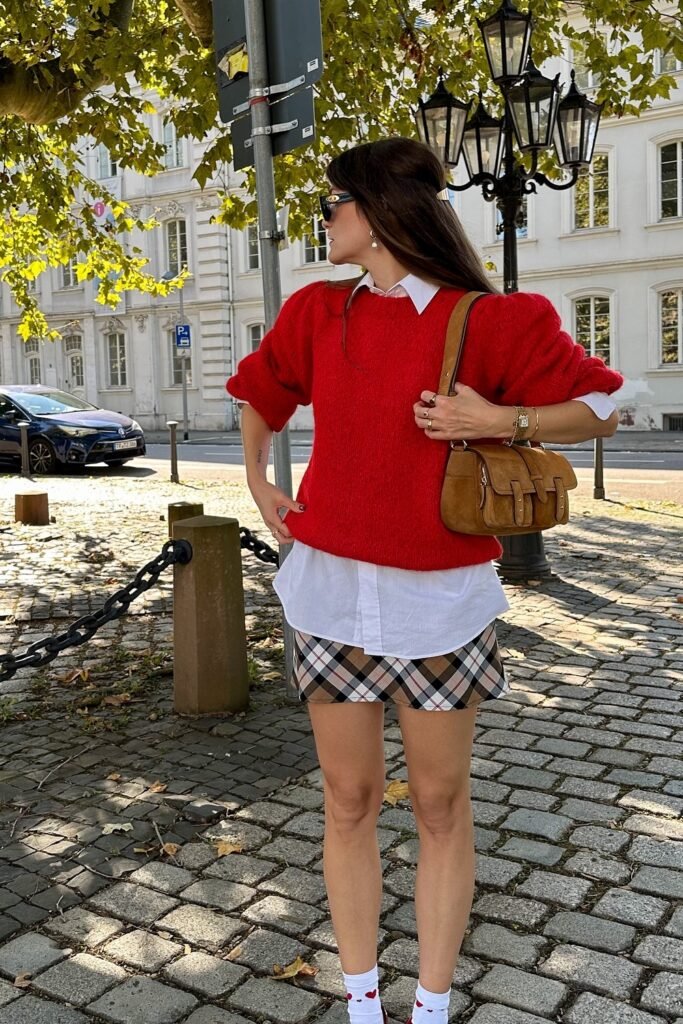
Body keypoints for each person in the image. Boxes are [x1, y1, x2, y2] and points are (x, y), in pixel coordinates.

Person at [226, 137, 623, 1024]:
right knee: (347, 798)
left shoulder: (493, 320)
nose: (323, 219)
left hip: (440, 601)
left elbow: (599, 407)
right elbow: (260, 391)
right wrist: (259, 478)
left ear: (375, 214)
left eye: (333, 203)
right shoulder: (317, 313)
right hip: (327, 594)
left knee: (440, 804)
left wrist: (500, 417)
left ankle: (432, 1004)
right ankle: (364, 1001)